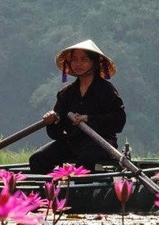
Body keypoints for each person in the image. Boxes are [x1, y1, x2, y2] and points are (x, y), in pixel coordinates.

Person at [28, 40, 126, 175]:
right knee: (37, 159)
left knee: (85, 160)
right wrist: (53, 120)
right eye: (74, 60)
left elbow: (119, 121)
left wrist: (89, 119)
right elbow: (56, 133)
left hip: (100, 144)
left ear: (94, 63)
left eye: (84, 59)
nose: (78, 64)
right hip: (72, 143)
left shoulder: (106, 90)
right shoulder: (66, 93)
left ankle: (79, 194)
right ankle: (49, 194)